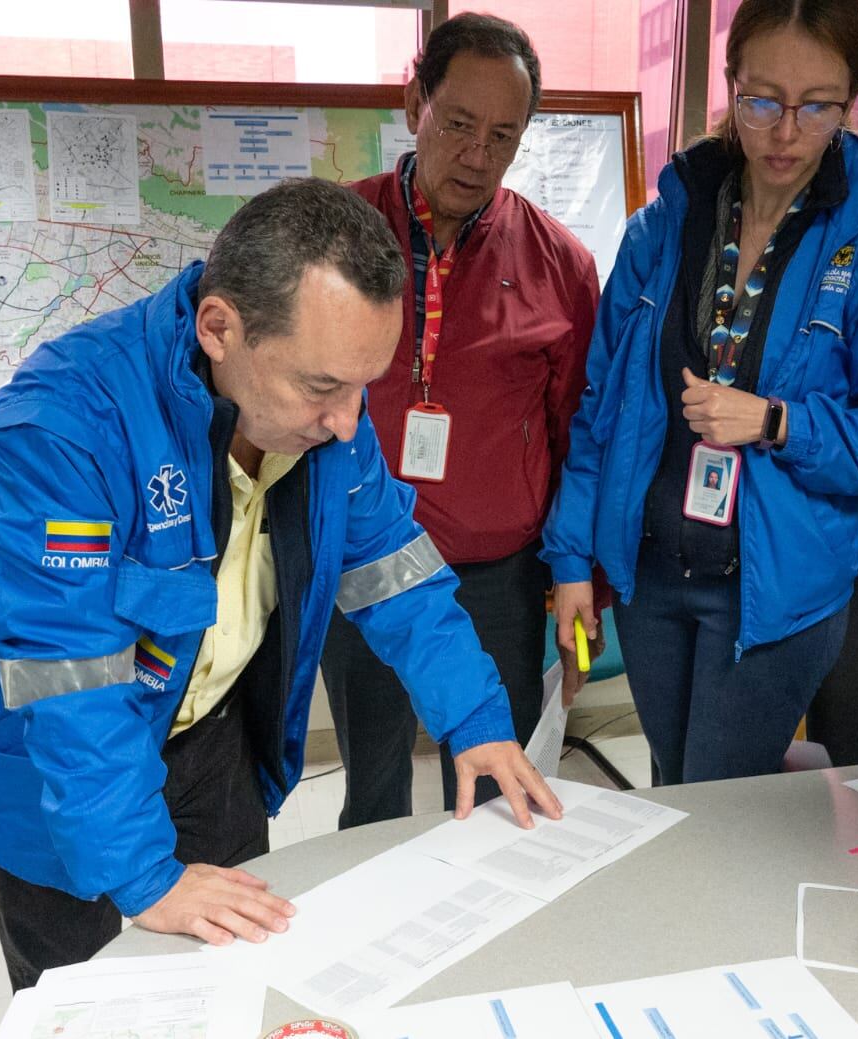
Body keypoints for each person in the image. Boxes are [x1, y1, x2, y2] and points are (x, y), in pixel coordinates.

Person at [0, 179, 563, 991]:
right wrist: (145, 876)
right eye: (324, 386)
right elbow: (67, 682)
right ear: (220, 328)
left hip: (211, 743)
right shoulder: (62, 432)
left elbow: (396, 575)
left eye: (363, 385)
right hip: (55, 768)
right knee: (87, 998)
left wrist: (476, 720)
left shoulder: (325, 412)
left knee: (234, 979)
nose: (348, 421)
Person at [544, 0, 858, 785]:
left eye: (817, 107)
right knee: (675, 785)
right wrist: (572, 558)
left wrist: (778, 422)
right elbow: (602, 407)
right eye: (762, 100)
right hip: (651, 580)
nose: (784, 132)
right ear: (730, 81)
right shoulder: (661, 229)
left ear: (856, 92)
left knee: (718, 805)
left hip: (773, 597)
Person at [329, 13, 598, 827]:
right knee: (372, 789)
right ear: (415, 102)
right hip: (362, 570)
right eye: (459, 125)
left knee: (492, 789)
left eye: (504, 136)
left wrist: (574, 572)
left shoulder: (559, 262)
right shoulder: (337, 234)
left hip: (498, 581)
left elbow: (579, 428)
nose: (478, 156)